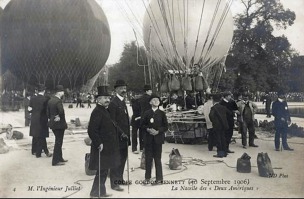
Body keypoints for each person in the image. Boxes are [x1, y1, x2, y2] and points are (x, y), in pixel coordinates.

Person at [88, 86, 120, 198]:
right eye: (104, 98)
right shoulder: (97, 111)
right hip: (101, 146)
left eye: (108, 98)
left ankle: (101, 192)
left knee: (104, 170)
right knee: (102, 171)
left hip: (108, 146)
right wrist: (99, 143)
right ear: (98, 100)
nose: (107, 100)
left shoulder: (105, 110)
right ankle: (94, 193)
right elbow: (92, 130)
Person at [141, 93, 168, 184]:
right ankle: (147, 178)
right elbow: (142, 125)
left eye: (157, 100)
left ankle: (159, 178)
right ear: (150, 102)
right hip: (148, 139)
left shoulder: (162, 113)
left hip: (158, 139)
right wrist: (148, 129)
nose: (156, 101)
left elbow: (166, 126)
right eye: (154, 100)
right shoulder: (147, 113)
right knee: (148, 159)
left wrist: (158, 131)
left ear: (159, 102)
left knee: (157, 159)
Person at [108, 79, 130, 190]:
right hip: (118, 137)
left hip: (125, 137)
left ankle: (120, 178)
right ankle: (114, 183)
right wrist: (121, 133)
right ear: (116, 89)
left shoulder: (122, 101)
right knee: (116, 159)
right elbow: (113, 122)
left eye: (125, 88)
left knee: (123, 158)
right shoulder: (113, 103)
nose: (124, 90)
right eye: (121, 88)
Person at [28, 84, 52, 158]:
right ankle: (41, 152)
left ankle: (34, 151)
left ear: (37, 91)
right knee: (42, 135)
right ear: (44, 91)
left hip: (34, 118)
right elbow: (48, 110)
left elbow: (29, 109)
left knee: (36, 134)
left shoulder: (32, 98)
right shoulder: (46, 99)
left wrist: (34, 112)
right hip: (42, 119)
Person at [47, 85, 68, 166]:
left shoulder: (50, 100)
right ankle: (55, 161)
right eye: (62, 91)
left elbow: (47, 113)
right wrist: (59, 116)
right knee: (59, 142)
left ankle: (60, 158)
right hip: (59, 124)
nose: (63, 92)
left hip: (53, 123)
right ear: (59, 93)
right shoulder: (58, 101)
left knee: (58, 140)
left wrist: (52, 118)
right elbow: (61, 111)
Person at [209, 93, 230, 158]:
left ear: (213, 100)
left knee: (218, 139)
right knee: (223, 138)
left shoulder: (213, 108)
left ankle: (220, 153)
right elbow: (229, 113)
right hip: (224, 125)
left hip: (217, 126)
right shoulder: (223, 107)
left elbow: (211, 116)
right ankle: (225, 152)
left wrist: (214, 122)